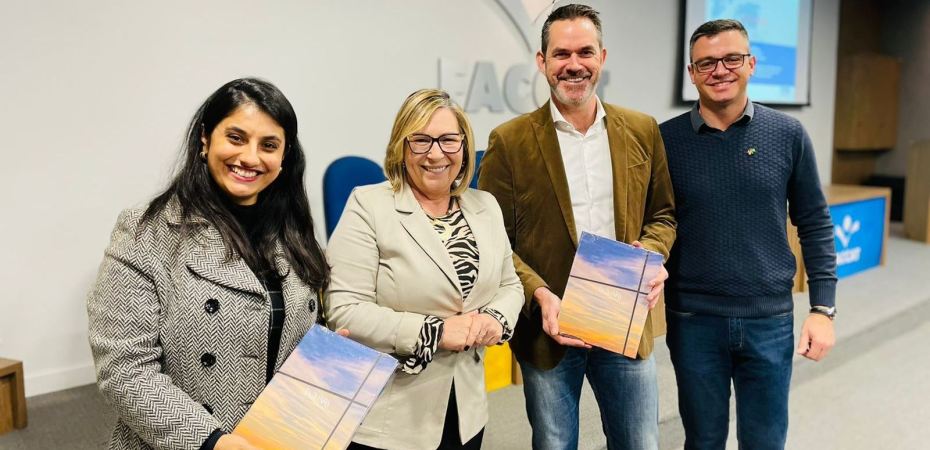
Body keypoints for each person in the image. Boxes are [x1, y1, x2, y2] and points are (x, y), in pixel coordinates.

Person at [87, 78, 332, 450]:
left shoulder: (293, 231)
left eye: (268, 145)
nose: (250, 157)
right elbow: (123, 369)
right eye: (236, 138)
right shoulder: (146, 231)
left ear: (284, 157)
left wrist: (326, 354)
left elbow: (292, 336)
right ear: (205, 139)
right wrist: (211, 442)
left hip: (277, 439)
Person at [478, 4, 676, 449]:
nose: (574, 64)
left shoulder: (642, 130)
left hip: (625, 317)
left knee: (640, 442)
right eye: (561, 53)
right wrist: (538, 294)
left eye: (585, 52)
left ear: (602, 57)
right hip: (549, 325)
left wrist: (651, 253)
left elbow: (663, 214)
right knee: (555, 443)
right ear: (542, 61)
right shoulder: (509, 142)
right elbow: (493, 241)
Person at [659, 19, 838, 450]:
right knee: (703, 441)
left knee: (765, 441)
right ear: (691, 73)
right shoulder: (664, 141)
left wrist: (823, 308)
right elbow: (653, 222)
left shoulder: (788, 135)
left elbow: (814, 222)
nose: (719, 70)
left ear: (751, 64)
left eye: (731, 59)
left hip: (769, 320)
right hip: (693, 320)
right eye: (706, 63)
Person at [324, 89, 523, 450]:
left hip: (467, 410)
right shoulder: (368, 205)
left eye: (448, 140)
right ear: (402, 147)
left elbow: (511, 284)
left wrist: (495, 319)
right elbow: (344, 309)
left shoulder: (485, 206)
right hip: (390, 417)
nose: (435, 153)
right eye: (421, 140)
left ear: (464, 147)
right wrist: (435, 332)